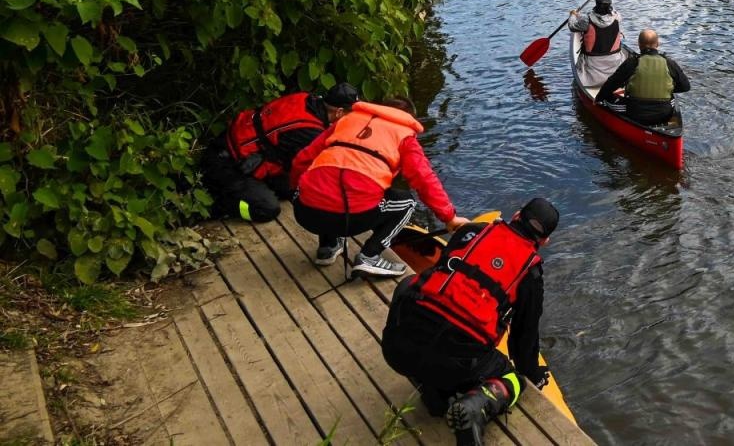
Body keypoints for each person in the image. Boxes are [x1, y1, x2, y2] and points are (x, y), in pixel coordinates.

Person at [381, 198, 559, 446]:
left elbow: (441, 275)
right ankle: (477, 406)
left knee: (408, 285)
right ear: (544, 241)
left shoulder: (472, 231)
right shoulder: (531, 272)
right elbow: (523, 338)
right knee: (514, 380)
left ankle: (435, 393)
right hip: (457, 363)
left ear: (517, 215)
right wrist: (533, 375)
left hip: (395, 349)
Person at [291, 97, 468, 277]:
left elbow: (301, 160)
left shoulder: (346, 121)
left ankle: (327, 247)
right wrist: (449, 217)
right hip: (351, 218)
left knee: (320, 185)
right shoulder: (404, 136)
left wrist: (298, 190)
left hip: (304, 212)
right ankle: (369, 256)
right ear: (409, 117)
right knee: (407, 202)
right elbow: (424, 179)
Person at [199, 82, 359, 223]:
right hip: (229, 164)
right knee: (267, 209)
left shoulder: (305, 99)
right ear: (338, 112)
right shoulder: (308, 133)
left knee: (291, 189)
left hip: (235, 146)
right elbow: (311, 170)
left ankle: (249, 189)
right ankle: (219, 205)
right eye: (350, 115)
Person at [599, 28, 690, 125]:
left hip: (635, 113)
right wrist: (668, 89)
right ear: (657, 44)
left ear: (639, 44)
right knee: (671, 98)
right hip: (664, 114)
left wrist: (599, 98)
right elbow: (685, 87)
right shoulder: (669, 63)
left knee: (607, 99)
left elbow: (611, 83)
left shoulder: (632, 62)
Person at [570, 0, 625, 87]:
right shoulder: (617, 17)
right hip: (614, 67)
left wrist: (573, 15)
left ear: (597, 4)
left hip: (593, 73)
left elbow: (572, 26)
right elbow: (613, 10)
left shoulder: (586, 20)